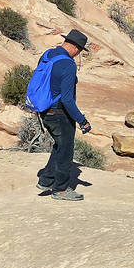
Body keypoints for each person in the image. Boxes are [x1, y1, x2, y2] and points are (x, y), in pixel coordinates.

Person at [34, 29, 92, 201]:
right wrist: (82, 120)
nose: (78, 54)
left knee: (59, 145)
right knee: (66, 150)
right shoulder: (68, 64)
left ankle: (46, 180)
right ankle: (60, 189)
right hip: (60, 113)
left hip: (44, 110)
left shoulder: (48, 54)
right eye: (80, 51)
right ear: (75, 47)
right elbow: (67, 99)